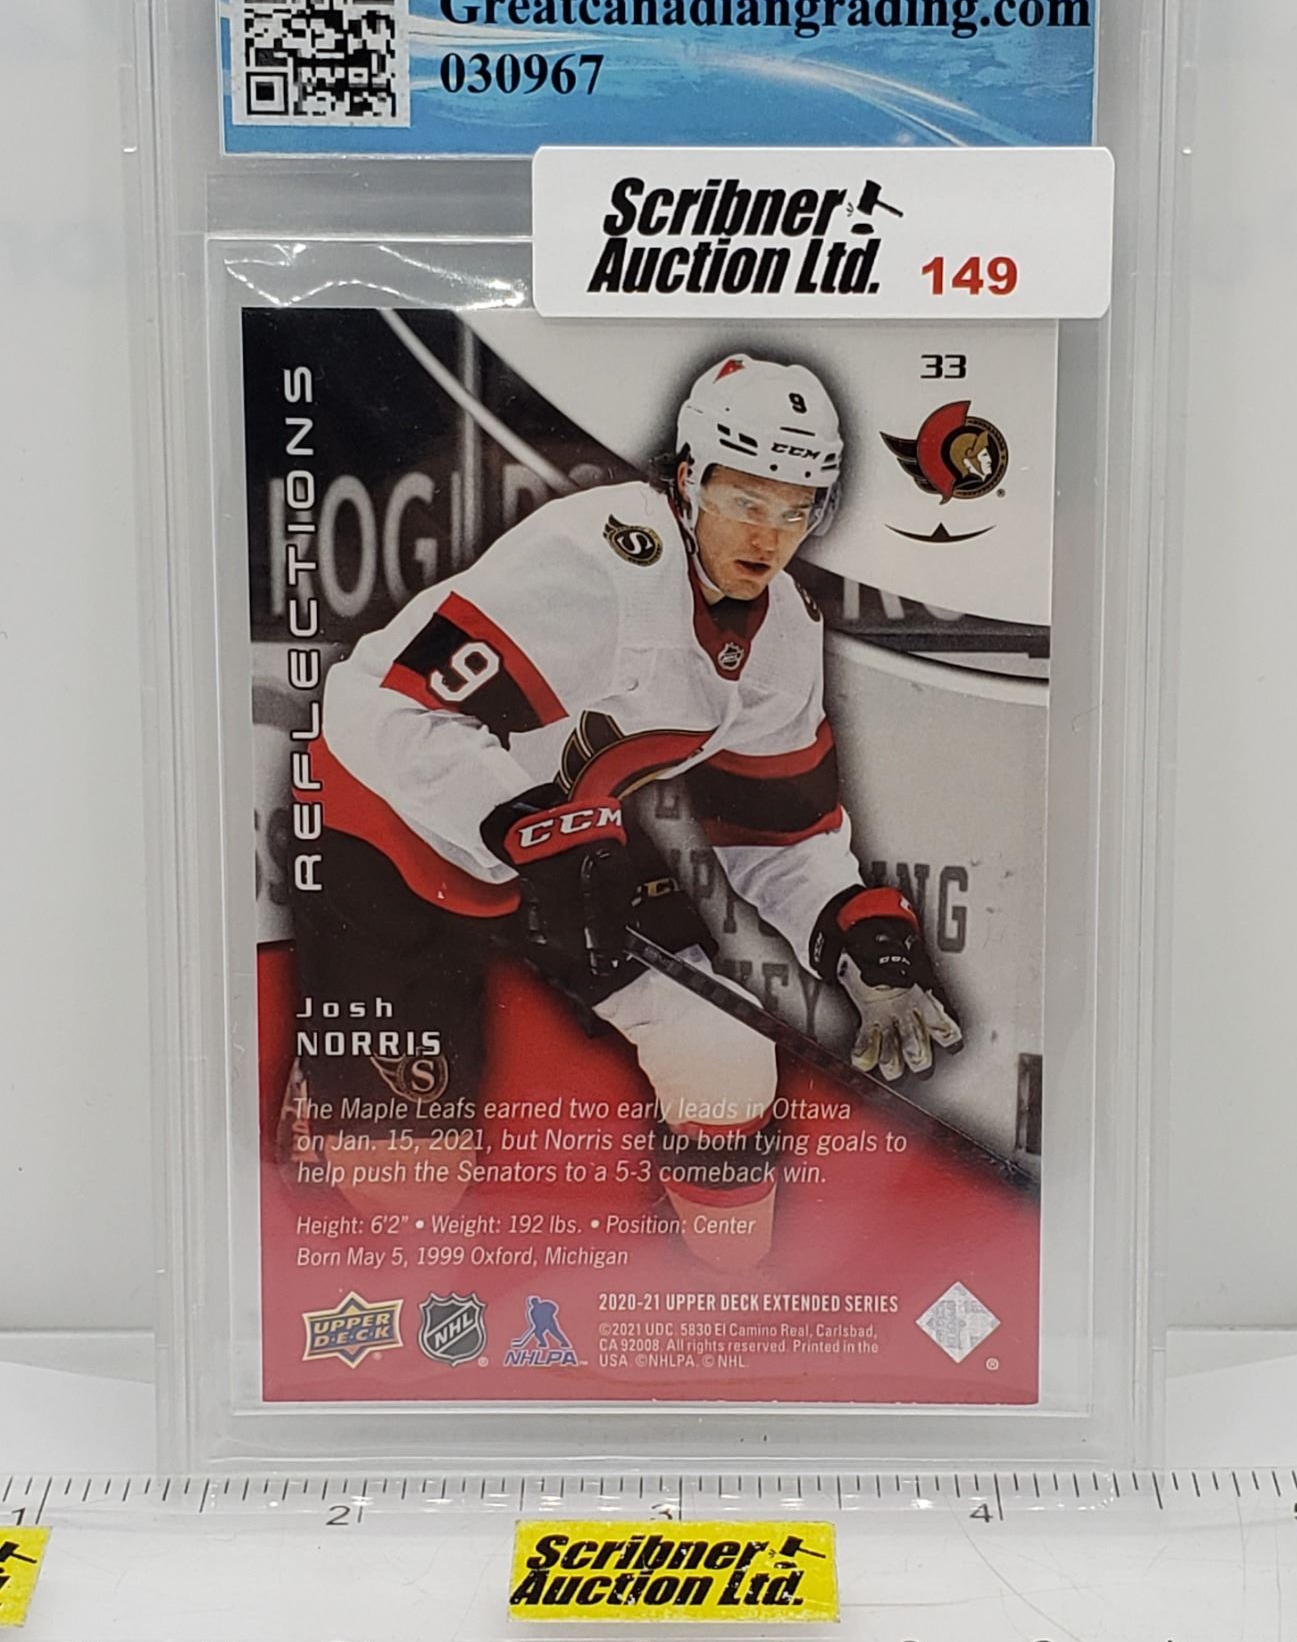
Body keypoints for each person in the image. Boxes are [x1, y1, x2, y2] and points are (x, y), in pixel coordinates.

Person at [285, 352, 961, 1270]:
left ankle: (729, 1296)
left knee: (726, 1052)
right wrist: (523, 824)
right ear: (686, 480)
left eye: (794, 508)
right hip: (388, 823)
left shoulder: (784, 633)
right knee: (406, 1189)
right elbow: (385, 709)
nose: (767, 535)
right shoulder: (593, 563)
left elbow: (779, 832)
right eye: (745, 499)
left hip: (565, 829)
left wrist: (855, 935)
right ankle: (325, 1100)